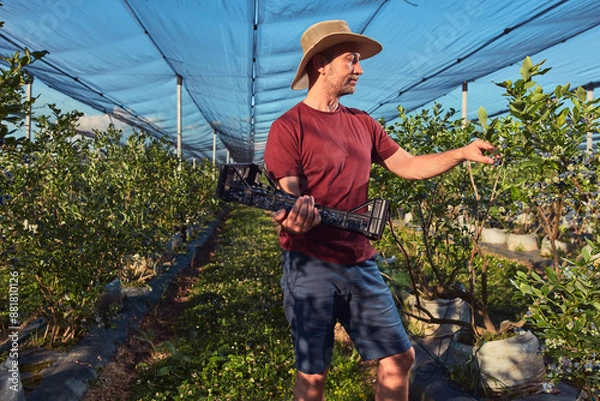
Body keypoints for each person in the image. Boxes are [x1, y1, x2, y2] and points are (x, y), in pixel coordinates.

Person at [263, 20, 495, 401]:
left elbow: (408, 165)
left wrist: (461, 153)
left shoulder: (363, 123)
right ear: (321, 64)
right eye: (351, 60)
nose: (360, 68)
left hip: (361, 263)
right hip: (310, 266)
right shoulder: (289, 128)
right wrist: (294, 218)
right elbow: (289, 197)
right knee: (313, 378)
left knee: (399, 358)